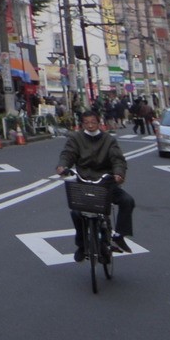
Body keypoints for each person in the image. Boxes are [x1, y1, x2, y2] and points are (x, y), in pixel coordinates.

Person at [56, 109, 136, 257]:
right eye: (86, 123)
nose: (90, 125)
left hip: (105, 182)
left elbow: (117, 159)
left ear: (99, 123)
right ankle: (81, 245)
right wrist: (62, 166)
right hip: (84, 181)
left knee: (127, 200)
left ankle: (119, 235)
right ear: (82, 124)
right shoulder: (76, 138)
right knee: (76, 213)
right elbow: (68, 154)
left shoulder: (108, 140)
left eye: (93, 122)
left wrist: (118, 174)